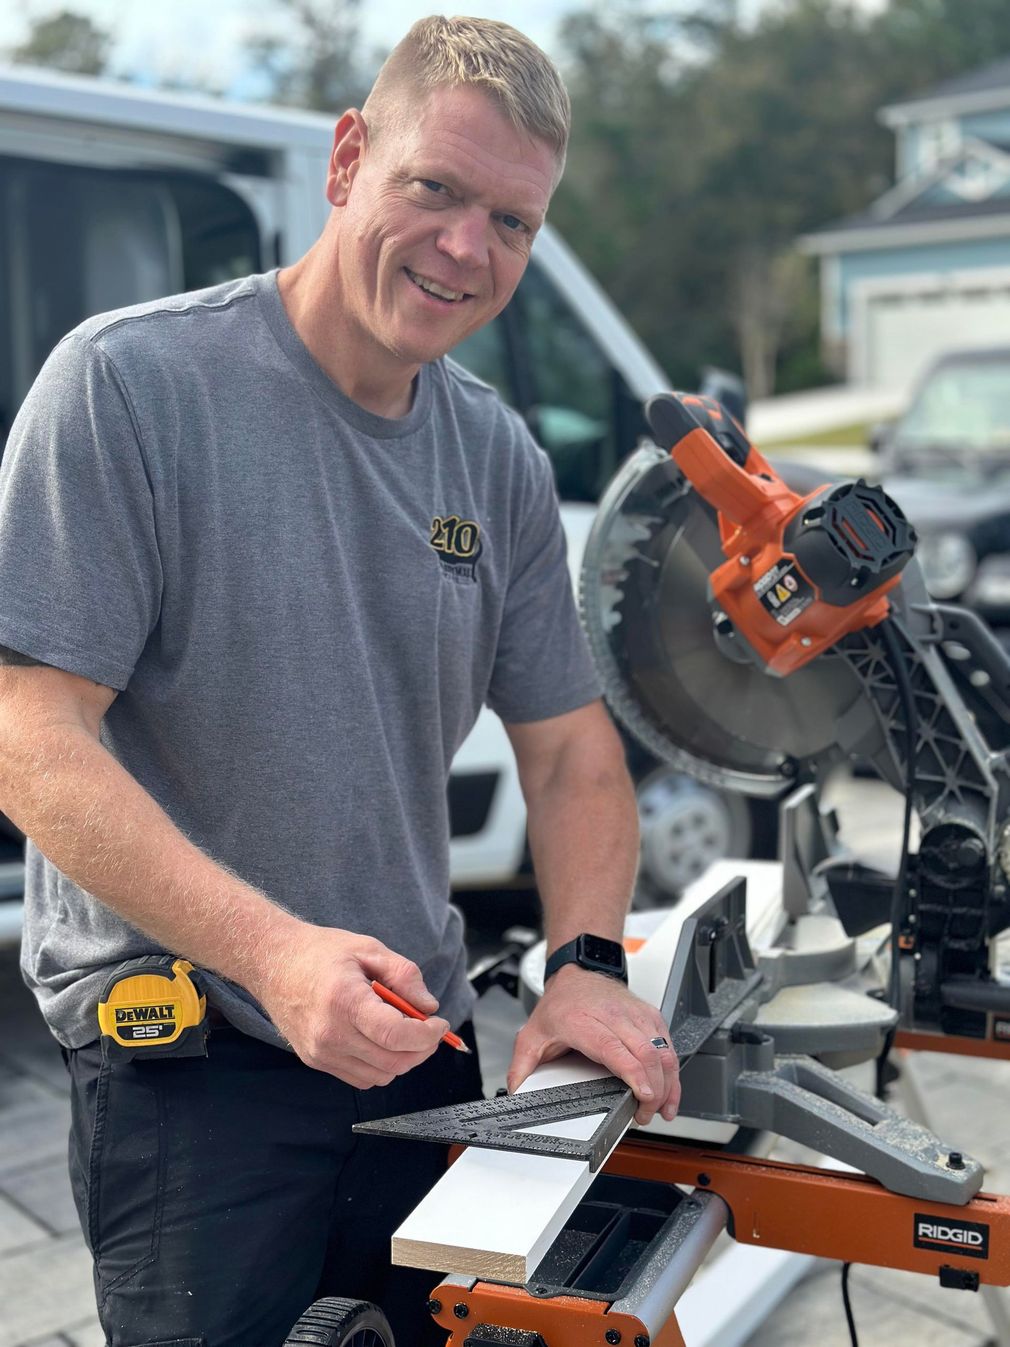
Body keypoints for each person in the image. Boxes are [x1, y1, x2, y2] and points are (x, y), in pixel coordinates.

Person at [0, 16, 680, 1347]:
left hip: (413, 1039)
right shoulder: (130, 387)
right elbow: (31, 739)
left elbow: (568, 751)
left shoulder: (492, 457)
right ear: (348, 158)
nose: (466, 248)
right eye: (435, 188)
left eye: (512, 221)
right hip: (193, 1051)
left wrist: (586, 963)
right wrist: (275, 951)